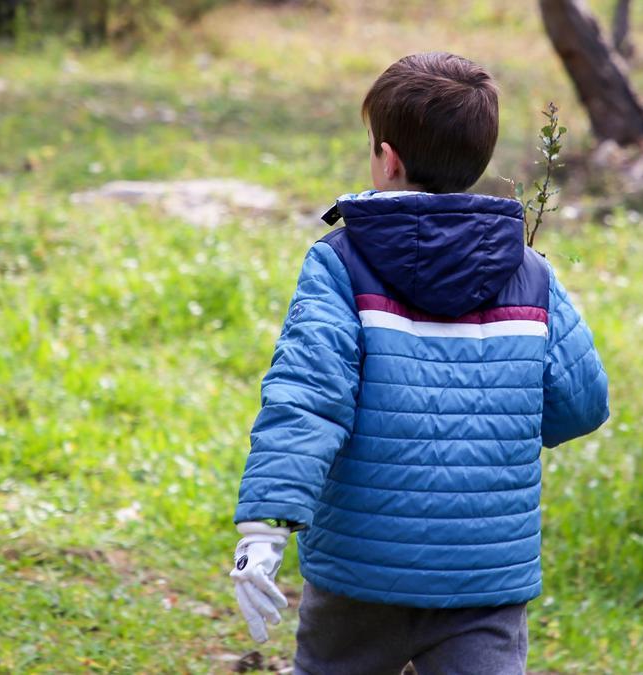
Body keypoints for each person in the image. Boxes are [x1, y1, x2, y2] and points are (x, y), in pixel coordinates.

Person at [229, 51, 609, 675]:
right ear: (478, 160)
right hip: (485, 575)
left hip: (360, 572)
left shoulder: (341, 264)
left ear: (389, 158)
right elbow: (581, 406)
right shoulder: (530, 275)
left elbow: (307, 396)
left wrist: (265, 528)